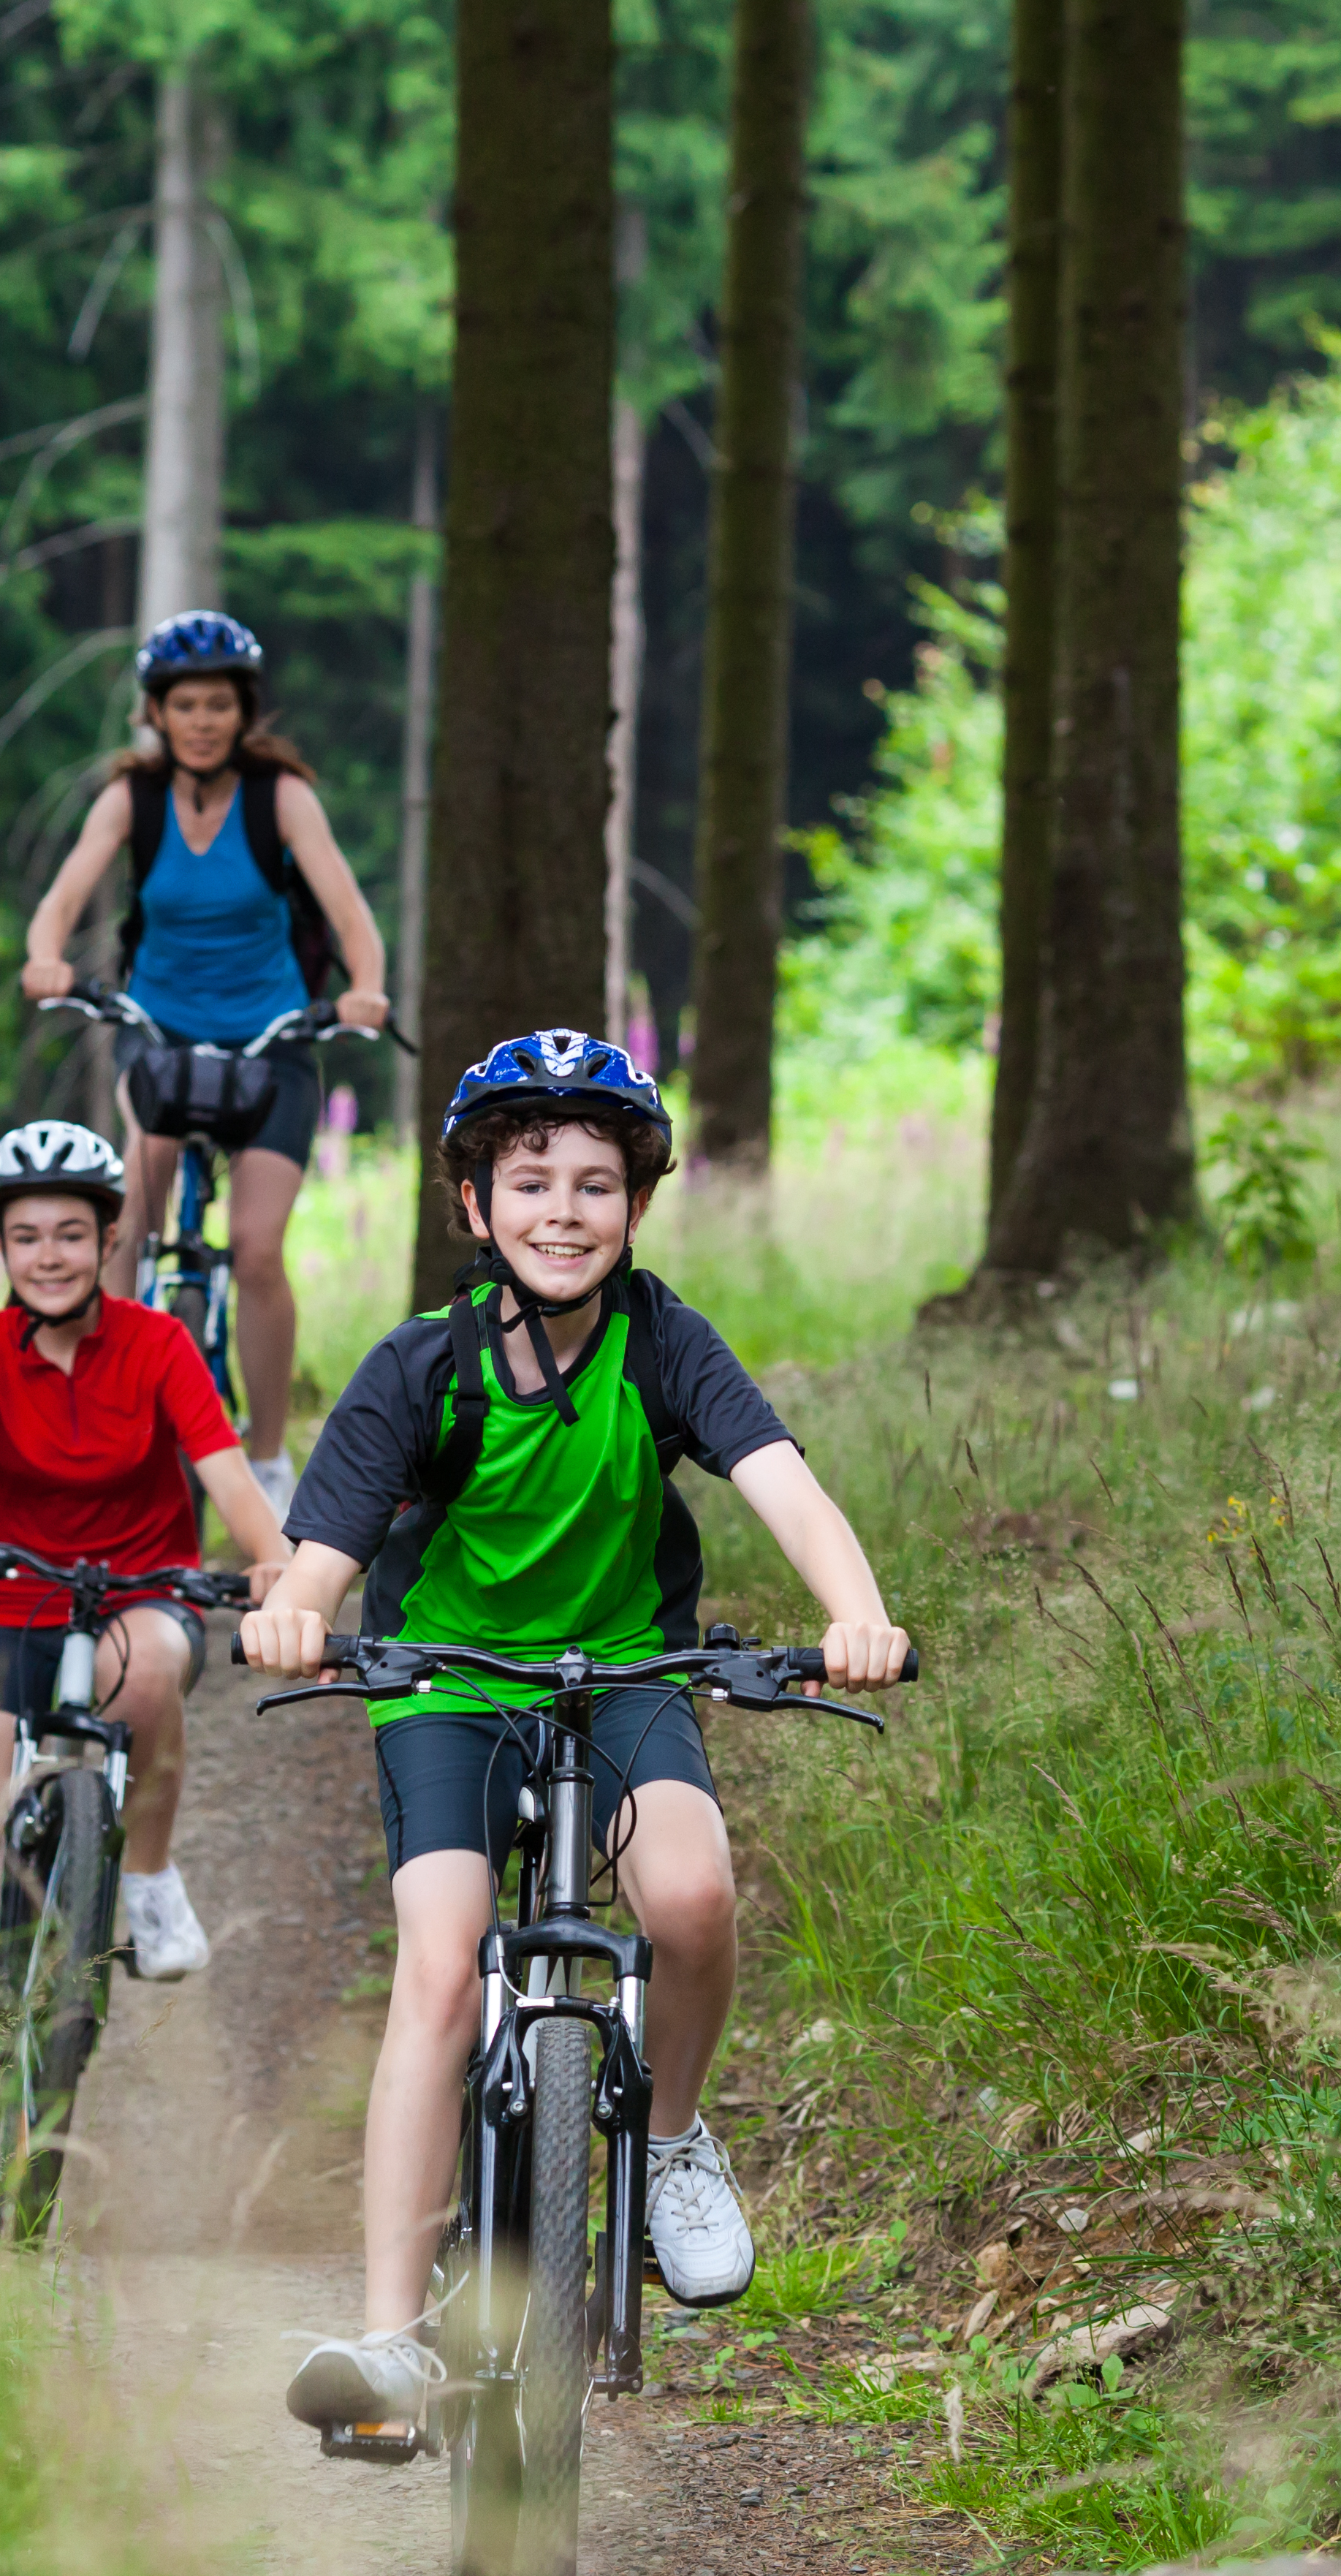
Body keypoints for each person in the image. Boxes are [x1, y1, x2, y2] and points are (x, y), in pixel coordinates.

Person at [237, 1031, 912, 2441]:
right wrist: (297, 1612)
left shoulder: (661, 1337)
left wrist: (856, 1609)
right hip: (448, 1682)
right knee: (438, 1962)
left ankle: (667, 2146)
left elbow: (782, 1478)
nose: (563, 1208)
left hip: (623, 1673)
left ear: (637, 1208)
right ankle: (387, 2338)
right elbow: (326, 1548)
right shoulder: (423, 1364)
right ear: (474, 1206)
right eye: (529, 1178)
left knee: (691, 1892)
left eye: (596, 1183)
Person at [0, 1119, 292, 2145]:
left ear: (110, 1241)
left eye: (70, 1233)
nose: (48, 1255)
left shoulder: (158, 1344)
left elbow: (227, 1473)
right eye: (26, 1237)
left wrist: (277, 1565)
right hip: (11, 1599)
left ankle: (143, 1877)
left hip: (139, 1594)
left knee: (149, 1671)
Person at [22, 612, 391, 1526]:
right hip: (161, 1035)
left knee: (258, 1249)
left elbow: (349, 912)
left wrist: (368, 988)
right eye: (184, 704)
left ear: (244, 710)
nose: (201, 720)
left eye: (218, 704)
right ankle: (100, 1424)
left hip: (271, 1045)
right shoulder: (132, 799)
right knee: (127, 1230)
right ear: (156, 711)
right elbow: (63, 897)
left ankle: (267, 1458)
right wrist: (45, 957)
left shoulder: (281, 798)